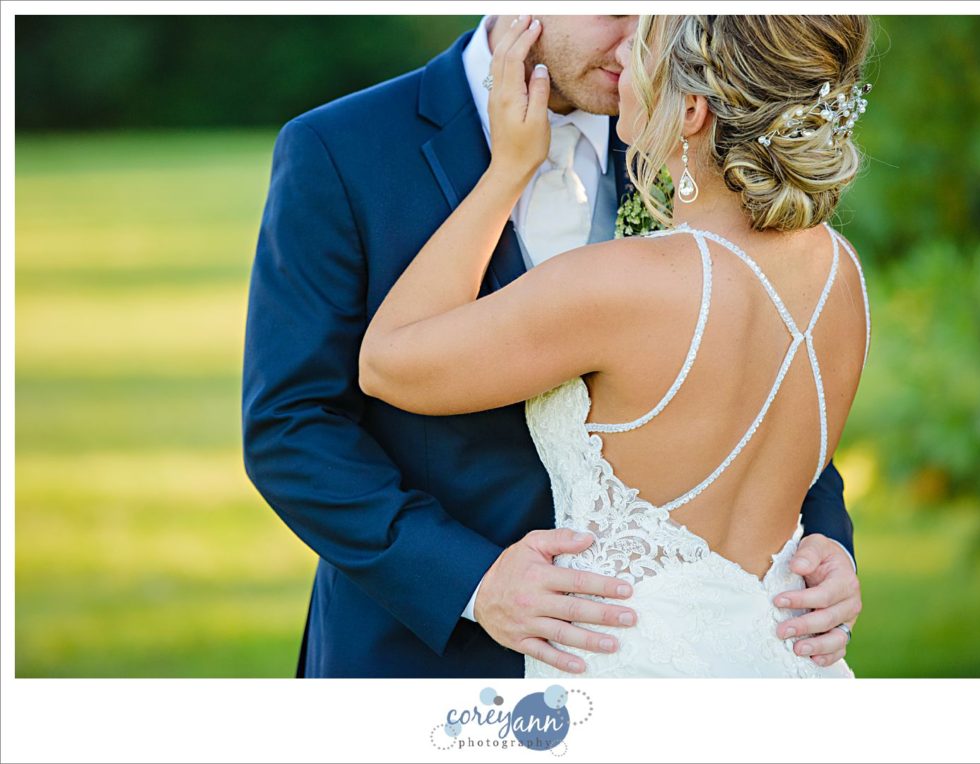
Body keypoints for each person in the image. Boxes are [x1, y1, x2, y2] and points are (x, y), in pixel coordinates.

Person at [243, 14, 863, 678]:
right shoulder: (341, 148)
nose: (638, 39)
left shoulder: (667, 122)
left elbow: (762, 389)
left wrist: (823, 536)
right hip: (422, 658)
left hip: (638, 655)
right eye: (618, 11)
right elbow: (291, 428)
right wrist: (474, 583)